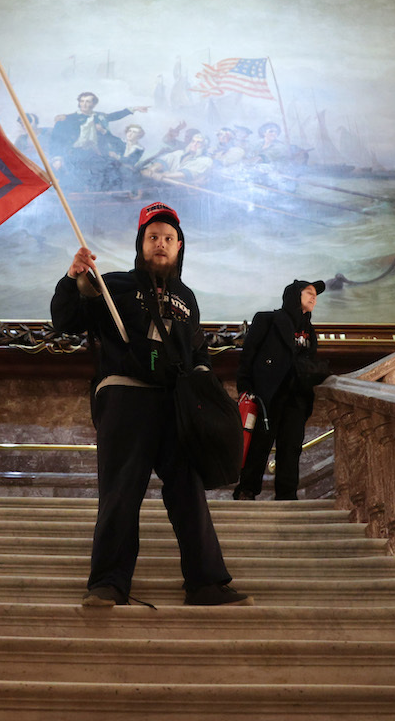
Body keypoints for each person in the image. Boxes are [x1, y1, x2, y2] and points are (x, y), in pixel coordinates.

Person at [51, 202, 253, 608]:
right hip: (126, 396)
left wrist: (208, 395)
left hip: (175, 404)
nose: (160, 244)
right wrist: (73, 279)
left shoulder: (186, 297)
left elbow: (199, 353)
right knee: (121, 491)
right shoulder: (112, 285)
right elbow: (66, 320)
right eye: (153, 237)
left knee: (188, 492)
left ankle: (206, 583)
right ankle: (108, 582)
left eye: (168, 238)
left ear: (180, 247)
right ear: (141, 244)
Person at [233, 280, 330, 501]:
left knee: (292, 447)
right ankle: (247, 490)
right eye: (309, 293)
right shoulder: (267, 319)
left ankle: (287, 496)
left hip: (297, 397)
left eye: (316, 295)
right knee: (260, 444)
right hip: (269, 395)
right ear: (294, 295)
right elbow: (248, 356)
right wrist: (245, 388)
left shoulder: (309, 331)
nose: (314, 297)